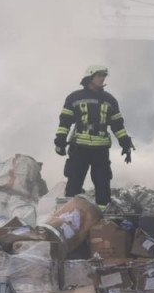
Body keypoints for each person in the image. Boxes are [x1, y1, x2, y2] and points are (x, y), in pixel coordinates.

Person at [54, 66, 134, 207]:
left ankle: (101, 222)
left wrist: (125, 143)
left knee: (103, 185)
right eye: (99, 75)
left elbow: (118, 125)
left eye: (104, 76)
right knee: (74, 184)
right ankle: (71, 218)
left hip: (101, 151)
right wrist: (60, 141)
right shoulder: (74, 97)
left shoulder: (110, 100)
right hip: (79, 148)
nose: (103, 78)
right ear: (90, 77)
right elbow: (65, 122)